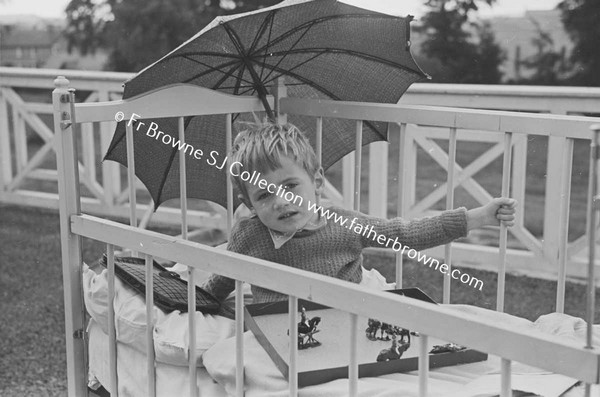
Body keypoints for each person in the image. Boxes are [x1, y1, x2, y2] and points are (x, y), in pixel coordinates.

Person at [202, 122, 516, 303]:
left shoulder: (343, 224)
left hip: (346, 316)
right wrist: (197, 303)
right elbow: (222, 281)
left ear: (318, 182)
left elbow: (405, 234)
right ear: (249, 204)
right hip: (279, 325)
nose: (281, 201)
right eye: (264, 195)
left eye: (289, 186)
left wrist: (477, 217)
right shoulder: (249, 235)